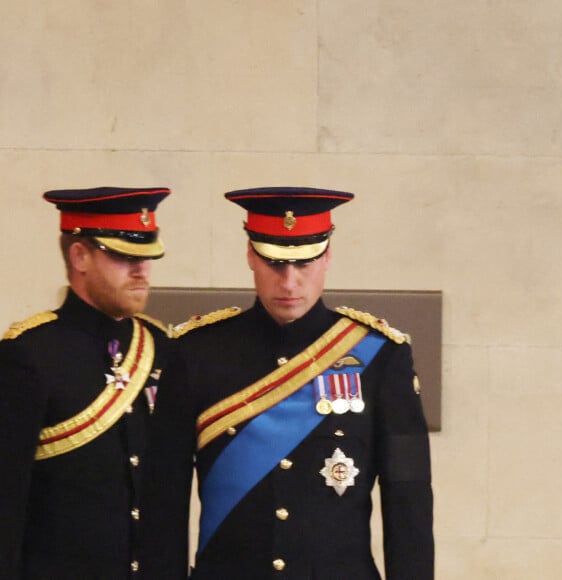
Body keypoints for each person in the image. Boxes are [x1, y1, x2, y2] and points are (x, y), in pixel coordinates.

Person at [143, 187, 434, 580]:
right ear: (250, 255)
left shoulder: (382, 357)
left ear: (328, 256)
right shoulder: (195, 353)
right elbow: (163, 503)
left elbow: (409, 504)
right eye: (275, 263)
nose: (290, 282)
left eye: (305, 263)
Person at [0, 187, 173, 579]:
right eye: (125, 256)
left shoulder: (160, 347)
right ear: (80, 256)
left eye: (147, 257)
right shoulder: (30, 355)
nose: (141, 270)